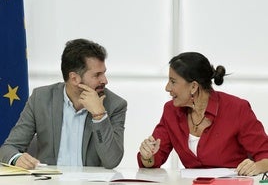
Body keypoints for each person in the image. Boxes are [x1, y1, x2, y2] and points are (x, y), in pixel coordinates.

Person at [0, 38, 127, 169]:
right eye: (97, 75)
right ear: (74, 78)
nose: (105, 80)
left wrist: (99, 116)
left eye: (104, 73)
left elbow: (112, 161)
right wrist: (17, 159)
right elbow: (9, 148)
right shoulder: (41, 99)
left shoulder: (115, 105)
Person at [137, 52, 268, 176]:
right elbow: (155, 157)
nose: (167, 88)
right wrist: (147, 156)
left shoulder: (237, 108)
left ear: (194, 86)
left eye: (173, 82)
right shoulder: (170, 110)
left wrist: (257, 166)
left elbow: (265, 155)